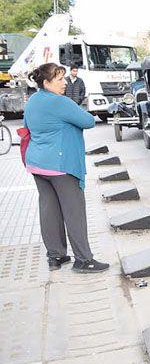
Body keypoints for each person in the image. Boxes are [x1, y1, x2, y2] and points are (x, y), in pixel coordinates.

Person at [23, 63, 109, 273]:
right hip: (61, 165)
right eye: (59, 79)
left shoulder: (33, 100)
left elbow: (28, 124)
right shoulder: (60, 102)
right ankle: (83, 260)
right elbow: (88, 121)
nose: (64, 83)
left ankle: (56, 256)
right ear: (46, 82)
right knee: (74, 212)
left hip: (37, 163)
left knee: (48, 210)